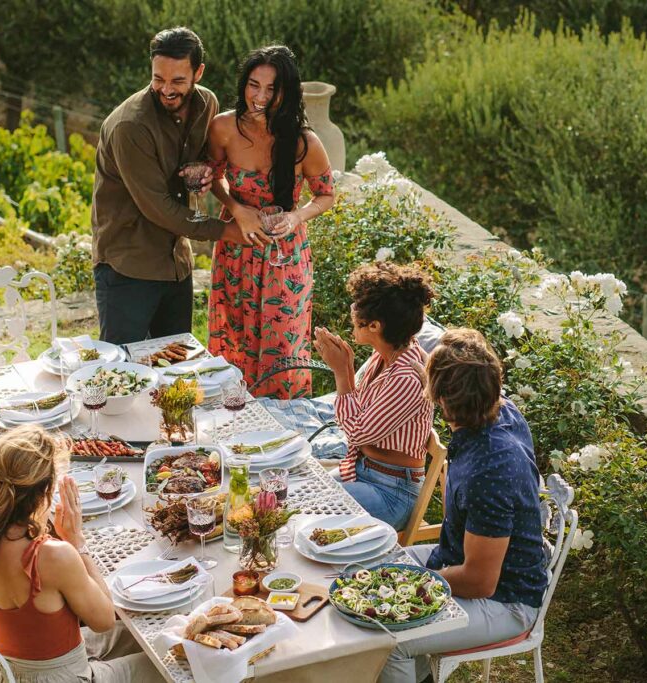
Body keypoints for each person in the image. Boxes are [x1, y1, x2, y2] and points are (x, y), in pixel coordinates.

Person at [379, 329, 549, 683]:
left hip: (507, 600)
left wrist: (412, 586)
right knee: (381, 563)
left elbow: (479, 581)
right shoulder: (500, 411)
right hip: (456, 557)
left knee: (388, 639)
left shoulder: (490, 470)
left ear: (441, 399)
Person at [0, 425, 162, 683]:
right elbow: (104, 620)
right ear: (46, 492)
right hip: (62, 677)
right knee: (167, 659)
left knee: (148, 633)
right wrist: (76, 544)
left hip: (2, 671)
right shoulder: (50, 557)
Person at [91, 26, 250, 345]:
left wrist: (202, 170)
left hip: (176, 262)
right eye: (158, 79)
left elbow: (206, 160)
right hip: (127, 267)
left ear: (198, 72)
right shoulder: (130, 127)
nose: (166, 89)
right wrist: (232, 231)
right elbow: (159, 209)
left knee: (176, 370)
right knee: (123, 372)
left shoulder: (207, 104)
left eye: (177, 81)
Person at [207, 45, 335, 398]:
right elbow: (213, 177)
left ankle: (284, 438)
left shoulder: (304, 141)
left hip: (285, 256)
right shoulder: (223, 128)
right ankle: (232, 428)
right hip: (236, 248)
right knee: (234, 339)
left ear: (286, 92)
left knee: (283, 346)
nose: (259, 97)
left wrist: (296, 216)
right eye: (253, 85)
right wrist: (237, 208)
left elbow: (326, 194)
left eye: (271, 89)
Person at [312, 262, 434, 530]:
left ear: (376, 325)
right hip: (365, 472)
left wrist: (343, 373)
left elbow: (356, 433)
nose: (352, 313)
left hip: (391, 494)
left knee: (310, 509)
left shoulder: (406, 377)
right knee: (300, 491)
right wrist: (345, 367)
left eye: (357, 312)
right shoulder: (387, 355)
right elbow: (362, 421)